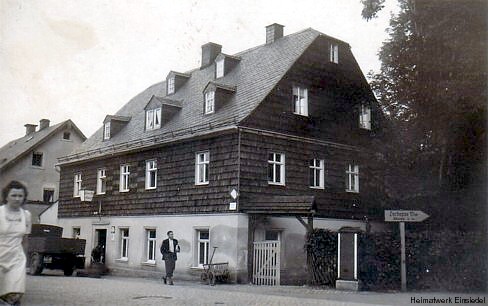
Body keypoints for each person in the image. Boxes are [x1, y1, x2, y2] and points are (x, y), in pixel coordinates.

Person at [0, 181, 32, 306]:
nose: (17, 198)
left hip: (17, 258)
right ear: (6, 196)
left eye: (20, 196)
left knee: (14, 294)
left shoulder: (26, 215)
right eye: (14, 195)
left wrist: (26, 261)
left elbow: (25, 240)